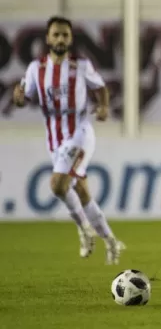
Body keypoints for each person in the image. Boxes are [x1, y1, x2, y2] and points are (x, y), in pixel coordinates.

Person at [12, 16, 125, 264]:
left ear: (71, 38)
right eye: (56, 34)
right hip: (54, 139)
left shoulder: (81, 66)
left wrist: (104, 107)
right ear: (48, 38)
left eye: (65, 35)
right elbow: (24, 97)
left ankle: (84, 229)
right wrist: (18, 98)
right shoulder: (35, 69)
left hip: (80, 134)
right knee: (82, 192)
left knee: (57, 185)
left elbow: (101, 88)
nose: (61, 39)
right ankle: (112, 242)